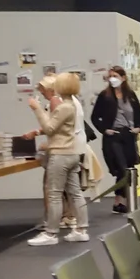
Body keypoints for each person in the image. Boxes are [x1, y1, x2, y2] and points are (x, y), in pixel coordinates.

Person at [24, 73, 89, 246]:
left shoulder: (64, 107)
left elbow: (50, 128)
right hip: (72, 153)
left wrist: (37, 109)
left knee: (54, 193)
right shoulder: (72, 105)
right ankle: (81, 229)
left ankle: (51, 233)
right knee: (75, 193)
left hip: (61, 154)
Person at [90, 66, 140, 213]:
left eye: (115, 76)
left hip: (129, 135)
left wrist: (139, 127)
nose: (112, 79)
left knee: (129, 167)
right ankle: (119, 200)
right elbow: (95, 117)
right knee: (121, 167)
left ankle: (122, 201)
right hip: (113, 136)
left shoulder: (130, 95)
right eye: (110, 76)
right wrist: (105, 129)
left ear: (123, 78)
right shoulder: (105, 96)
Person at [26, 76, 76, 230]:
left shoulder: (56, 102)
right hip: (68, 150)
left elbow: (51, 128)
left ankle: (52, 226)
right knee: (70, 190)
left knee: (52, 189)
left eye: (42, 90)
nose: (41, 93)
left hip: (60, 151)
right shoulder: (66, 104)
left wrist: (37, 109)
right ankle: (70, 218)